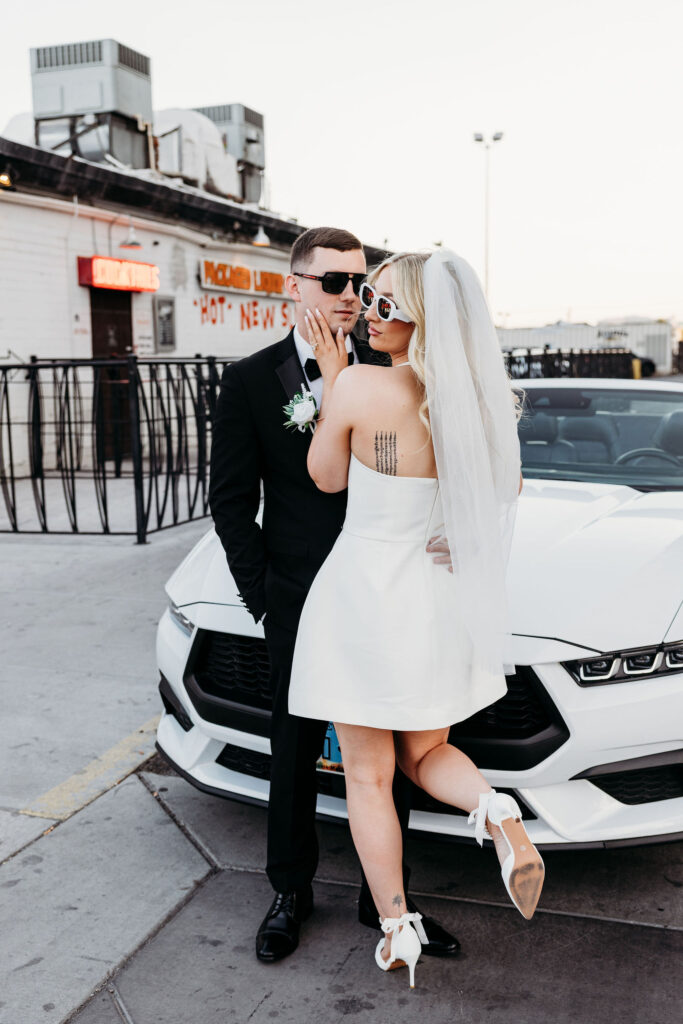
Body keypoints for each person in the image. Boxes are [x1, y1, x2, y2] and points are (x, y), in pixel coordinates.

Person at [289, 249, 544, 988]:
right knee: (425, 756)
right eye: (366, 297)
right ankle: (497, 812)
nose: (367, 312)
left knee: (368, 777)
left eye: (383, 304)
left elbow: (327, 477)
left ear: (419, 321)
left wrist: (336, 385)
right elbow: (506, 486)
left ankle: (398, 928)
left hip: (365, 598)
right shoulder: (474, 402)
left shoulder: (362, 386)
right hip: (434, 603)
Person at [208, 227, 459, 964]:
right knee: (292, 744)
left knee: (391, 746)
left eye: (360, 283)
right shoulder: (252, 380)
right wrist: (262, 598)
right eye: (334, 282)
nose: (351, 297)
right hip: (299, 596)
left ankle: (387, 906)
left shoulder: (398, 364)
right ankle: (289, 891)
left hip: (387, 595)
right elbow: (231, 502)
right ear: (294, 285)